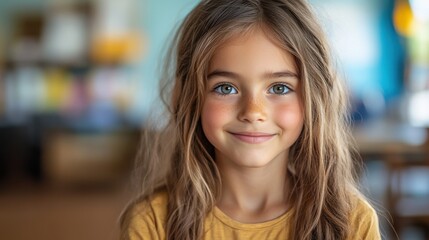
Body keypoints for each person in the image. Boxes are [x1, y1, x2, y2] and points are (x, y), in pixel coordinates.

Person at [120, 0, 381, 239]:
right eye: (226, 88)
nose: (253, 111)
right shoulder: (153, 223)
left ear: (315, 99)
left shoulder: (351, 222)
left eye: (279, 88)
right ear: (185, 97)